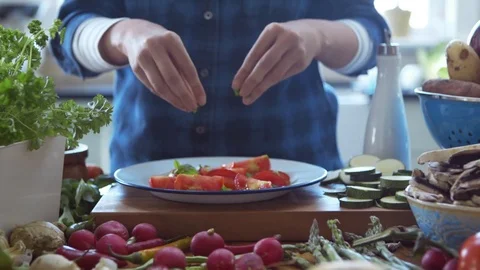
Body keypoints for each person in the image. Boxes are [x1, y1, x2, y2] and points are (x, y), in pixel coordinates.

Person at [51, 0, 389, 173]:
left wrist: (319, 35)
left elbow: (373, 36)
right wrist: (123, 34)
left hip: (299, 187)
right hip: (144, 188)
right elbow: (66, 32)